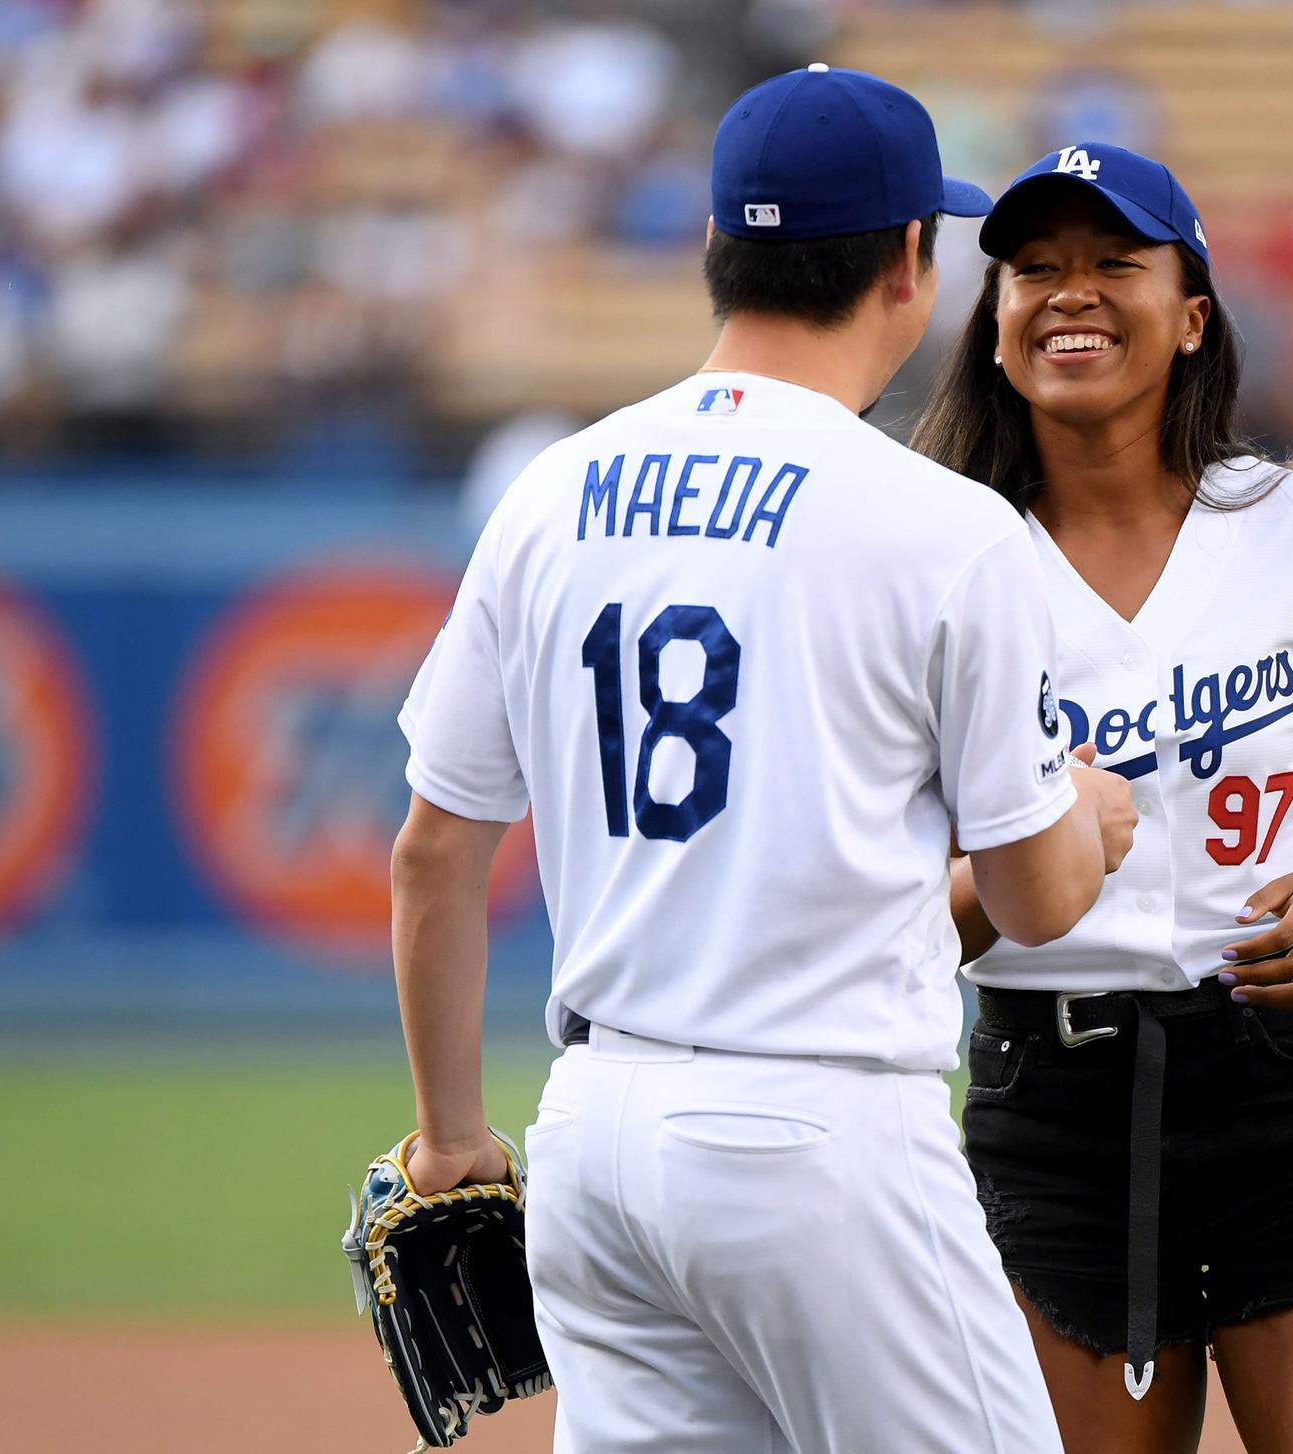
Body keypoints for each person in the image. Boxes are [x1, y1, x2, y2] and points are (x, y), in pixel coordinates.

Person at [390, 70, 1136, 1453]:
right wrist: (1087, 812)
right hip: (818, 1128)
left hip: (593, 1134)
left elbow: (434, 849)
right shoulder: (945, 528)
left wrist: (448, 1138)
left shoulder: (550, 490)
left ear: (717, 250)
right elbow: (1040, 907)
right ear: (914, 261)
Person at [912, 142, 1293, 1454]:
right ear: (993, 324)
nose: (1070, 292)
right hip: (1052, 1104)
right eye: (1033, 268)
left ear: (1195, 313)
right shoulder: (930, 563)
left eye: (1115, 262)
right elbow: (895, 914)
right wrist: (1032, 865)